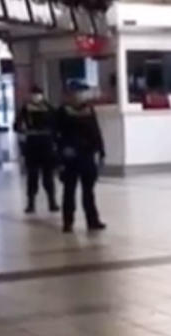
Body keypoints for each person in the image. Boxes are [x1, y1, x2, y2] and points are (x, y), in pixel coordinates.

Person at [55, 81, 105, 233]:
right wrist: (61, 153)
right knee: (69, 190)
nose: (80, 96)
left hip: (87, 155)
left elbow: (96, 132)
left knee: (88, 190)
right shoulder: (62, 112)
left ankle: (92, 220)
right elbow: (56, 135)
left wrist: (101, 151)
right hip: (70, 157)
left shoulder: (89, 111)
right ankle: (68, 222)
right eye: (78, 93)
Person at [15, 86, 59, 213]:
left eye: (38, 94)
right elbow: (17, 125)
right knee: (32, 177)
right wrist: (23, 131)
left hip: (46, 145)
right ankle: (31, 203)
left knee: (48, 177)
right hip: (32, 145)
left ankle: (52, 201)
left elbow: (56, 125)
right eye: (34, 94)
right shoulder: (26, 109)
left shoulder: (49, 108)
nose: (36, 96)